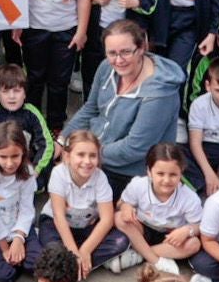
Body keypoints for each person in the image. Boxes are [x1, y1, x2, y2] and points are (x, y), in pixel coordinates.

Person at [59, 18, 185, 185]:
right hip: (93, 152)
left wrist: (85, 155)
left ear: (141, 48)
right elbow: (91, 109)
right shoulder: (106, 67)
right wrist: (63, 140)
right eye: (112, 53)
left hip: (128, 172)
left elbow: (135, 148)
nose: (118, 60)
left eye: (125, 52)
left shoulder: (160, 95)